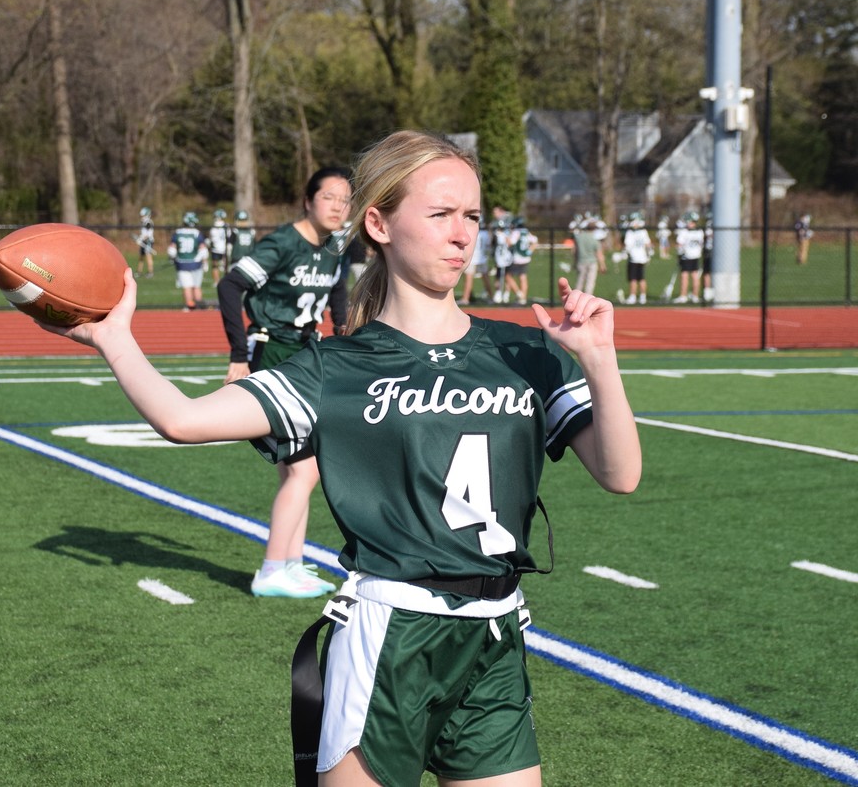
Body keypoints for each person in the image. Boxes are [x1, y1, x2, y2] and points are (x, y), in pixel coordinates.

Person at [52, 130, 641, 786]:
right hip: (389, 637)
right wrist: (113, 338)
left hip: (496, 636)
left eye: (472, 216)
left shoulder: (525, 353)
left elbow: (620, 474)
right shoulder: (338, 368)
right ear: (379, 223)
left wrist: (599, 358)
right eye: (441, 214)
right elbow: (182, 420)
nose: (462, 234)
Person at [216, 167, 351, 599]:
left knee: (297, 469)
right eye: (329, 197)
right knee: (304, 469)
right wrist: (239, 353)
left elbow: (338, 289)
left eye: (345, 200)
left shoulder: (334, 246)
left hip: (306, 355)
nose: (338, 206)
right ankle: (273, 568)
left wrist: (344, 326)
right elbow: (229, 285)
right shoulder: (283, 243)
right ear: (308, 200)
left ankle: (290, 562)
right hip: (274, 353)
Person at [168, 212, 208, 311]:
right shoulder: (196, 233)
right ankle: (198, 307)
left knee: (187, 287)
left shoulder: (178, 232)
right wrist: (204, 261)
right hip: (196, 263)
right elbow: (203, 249)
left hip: (182, 263)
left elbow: (172, 249)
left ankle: (189, 306)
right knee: (196, 286)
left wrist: (173, 257)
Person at [673, 211, 704, 303]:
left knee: (685, 276)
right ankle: (695, 296)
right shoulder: (700, 231)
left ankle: (684, 296)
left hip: (686, 256)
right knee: (695, 275)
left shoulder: (684, 232)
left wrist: (679, 253)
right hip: (696, 256)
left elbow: (679, 244)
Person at [459, 219, 492, 305]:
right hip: (482, 258)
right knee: (486, 279)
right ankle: (491, 297)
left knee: (468, 279)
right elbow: (488, 246)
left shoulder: (473, 233)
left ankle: (465, 299)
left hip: (473, 259)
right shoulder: (485, 234)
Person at [621, 213, 652, 304]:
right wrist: (649, 254)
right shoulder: (643, 231)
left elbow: (627, 246)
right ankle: (642, 297)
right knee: (641, 278)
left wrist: (622, 254)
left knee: (633, 279)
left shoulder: (630, 232)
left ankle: (633, 296)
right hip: (642, 258)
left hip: (634, 259)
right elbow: (648, 244)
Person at [509, 216, 537, 305]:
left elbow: (511, 242)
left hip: (517, 258)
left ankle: (519, 294)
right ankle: (523, 299)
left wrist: (504, 236)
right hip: (525, 258)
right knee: (523, 278)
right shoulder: (527, 232)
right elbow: (535, 241)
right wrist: (529, 251)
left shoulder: (516, 232)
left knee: (508, 277)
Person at [573, 217, 606, 294]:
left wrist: (574, 262)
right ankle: (587, 300)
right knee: (590, 283)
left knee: (579, 282)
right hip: (592, 262)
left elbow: (575, 251)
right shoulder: (594, 239)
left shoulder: (579, 238)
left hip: (581, 261)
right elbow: (599, 253)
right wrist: (602, 265)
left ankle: (575, 298)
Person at [209, 209, 230, 286]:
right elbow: (228, 236)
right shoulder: (226, 225)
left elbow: (212, 237)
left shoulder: (214, 226)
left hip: (216, 248)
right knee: (225, 266)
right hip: (224, 248)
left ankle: (216, 281)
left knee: (215, 266)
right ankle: (226, 280)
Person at [135, 206, 155, 278]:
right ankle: (139, 272)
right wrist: (140, 239)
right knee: (141, 257)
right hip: (143, 241)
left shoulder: (148, 223)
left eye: (143, 215)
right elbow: (143, 233)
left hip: (148, 242)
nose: (142, 217)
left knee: (148, 257)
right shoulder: (143, 222)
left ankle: (150, 272)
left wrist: (140, 239)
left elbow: (148, 234)